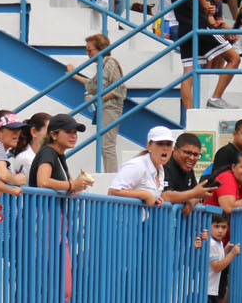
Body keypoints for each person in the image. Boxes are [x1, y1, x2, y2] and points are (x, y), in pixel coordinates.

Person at [67, 33, 125, 172]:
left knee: (107, 145)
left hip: (111, 108)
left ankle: (111, 177)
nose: (88, 53)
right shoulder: (102, 65)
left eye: (90, 50)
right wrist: (74, 75)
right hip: (105, 108)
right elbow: (92, 84)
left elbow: (119, 89)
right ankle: (109, 174)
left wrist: (97, 98)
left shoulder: (109, 63)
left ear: (100, 49)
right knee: (104, 145)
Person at [108, 125, 174, 206]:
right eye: (160, 144)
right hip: (122, 218)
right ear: (149, 146)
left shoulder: (160, 169)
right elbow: (112, 192)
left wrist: (155, 198)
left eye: (169, 144)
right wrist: (145, 194)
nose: (165, 148)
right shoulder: (137, 165)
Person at [33, 114, 95, 193]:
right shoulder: (48, 152)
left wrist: (77, 186)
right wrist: (73, 185)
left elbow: (69, 185)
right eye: (68, 131)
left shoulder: (59, 155)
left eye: (75, 132)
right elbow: (43, 182)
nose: (73, 136)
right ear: (54, 135)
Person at [203, 215, 241, 303]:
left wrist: (224, 252)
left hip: (211, 291)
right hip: (207, 291)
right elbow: (217, 267)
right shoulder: (213, 244)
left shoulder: (218, 243)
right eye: (216, 226)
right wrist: (231, 254)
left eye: (223, 227)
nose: (220, 230)